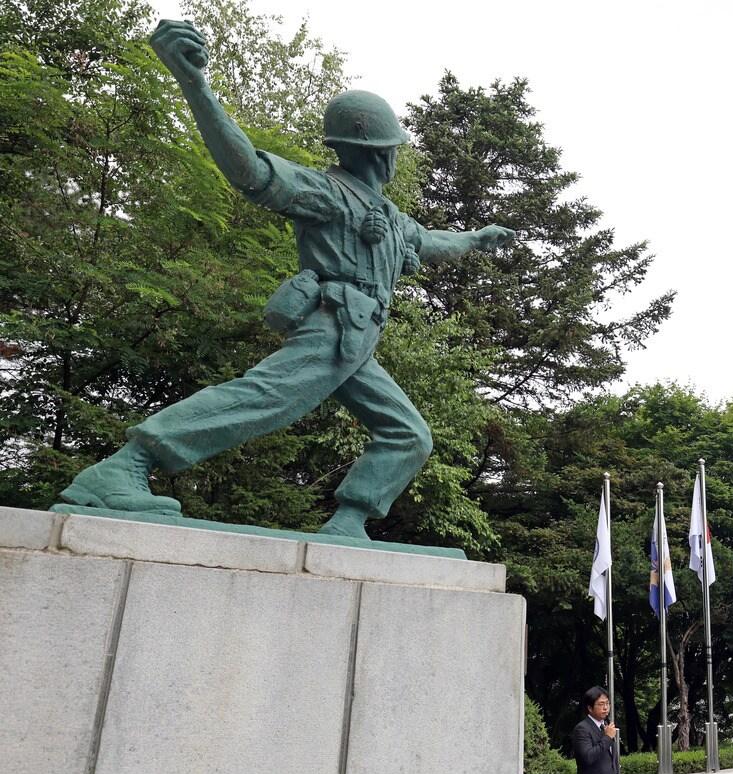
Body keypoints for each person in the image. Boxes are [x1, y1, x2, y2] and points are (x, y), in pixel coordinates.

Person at [60, 20, 515, 538]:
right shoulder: (324, 192)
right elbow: (250, 171)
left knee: (407, 434)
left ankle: (347, 522)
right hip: (332, 325)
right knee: (263, 398)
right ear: (381, 151)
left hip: (358, 340)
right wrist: (195, 84)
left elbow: (431, 241)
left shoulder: (389, 216)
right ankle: (126, 465)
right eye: (394, 149)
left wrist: (478, 239)